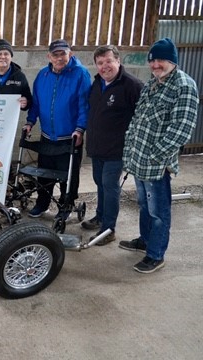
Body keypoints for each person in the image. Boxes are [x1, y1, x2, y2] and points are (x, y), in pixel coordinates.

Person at [120, 38, 199, 273]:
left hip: (156, 164)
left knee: (158, 211)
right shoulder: (152, 84)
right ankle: (145, 241)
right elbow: (137, 120)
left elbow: (181, 129)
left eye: (161, 60)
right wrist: (130, 152)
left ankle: (156, 254)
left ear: (173, 61)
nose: (155, 64)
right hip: (139, 161)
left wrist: (156, 156)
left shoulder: (184, 85)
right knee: (144, 205)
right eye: (152, 60)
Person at [82, 45, 143, 246]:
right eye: (100, 63)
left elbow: (142, 117)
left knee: (110, 186)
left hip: (117, 150)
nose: (104, 66)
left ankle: (108, 230)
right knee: (100, 183)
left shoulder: (132, 85)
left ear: (118, 60)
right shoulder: (97, 83)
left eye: (109, 61)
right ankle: (100, 216)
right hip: (98, 147)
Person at [25, 39, 91, 219]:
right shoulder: (42, 75)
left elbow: (84, 105)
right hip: (47, 136)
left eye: (63, 53)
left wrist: (80, 128)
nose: (60, 58)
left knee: (68, 176)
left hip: (70, 137)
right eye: (56, 54)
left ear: (70, 54)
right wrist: (30, 122)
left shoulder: (81, 74)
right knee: (44, 174)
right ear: (49, 56)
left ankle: (66, 205)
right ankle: (42, 203)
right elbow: (36, 103)